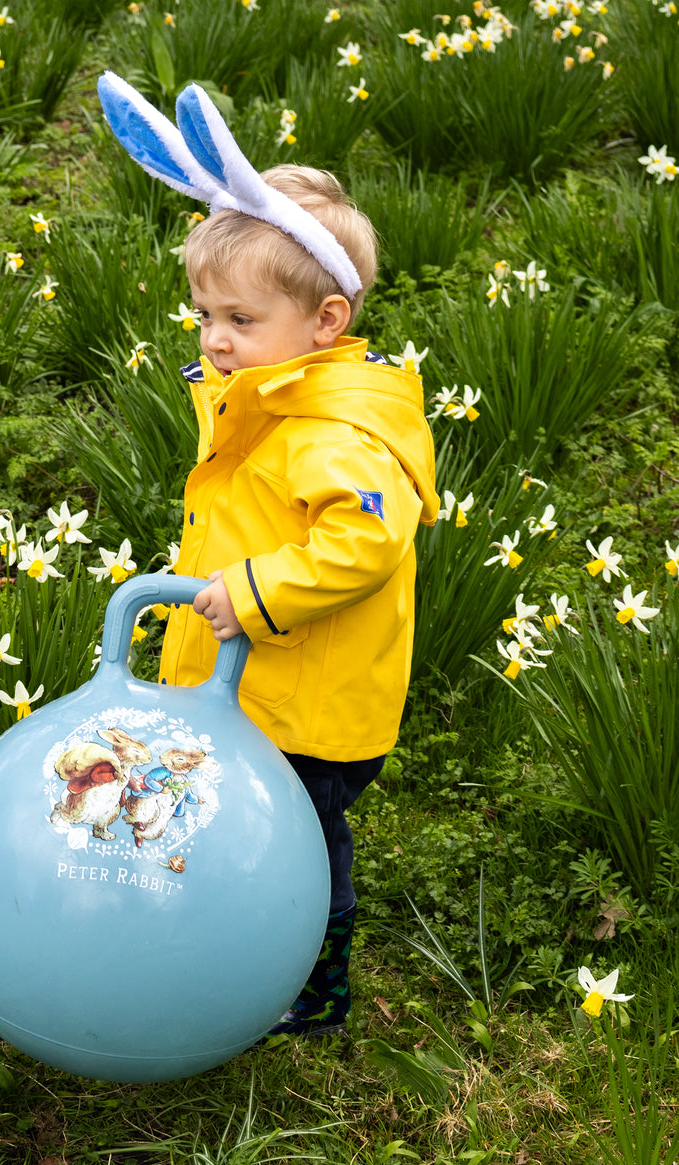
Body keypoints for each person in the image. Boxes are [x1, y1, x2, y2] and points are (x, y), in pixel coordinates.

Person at [97, 76, 439, 1037]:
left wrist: (252, 591)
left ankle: (315, 988)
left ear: (326, 321)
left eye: (240, 321)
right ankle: (229, 946)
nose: (214, 339)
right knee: (235, 821)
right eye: (204, 315)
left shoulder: (334, 430)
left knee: (302, 843)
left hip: (309, 705)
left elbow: (365, 541)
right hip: (253, 679)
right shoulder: (272, 400)